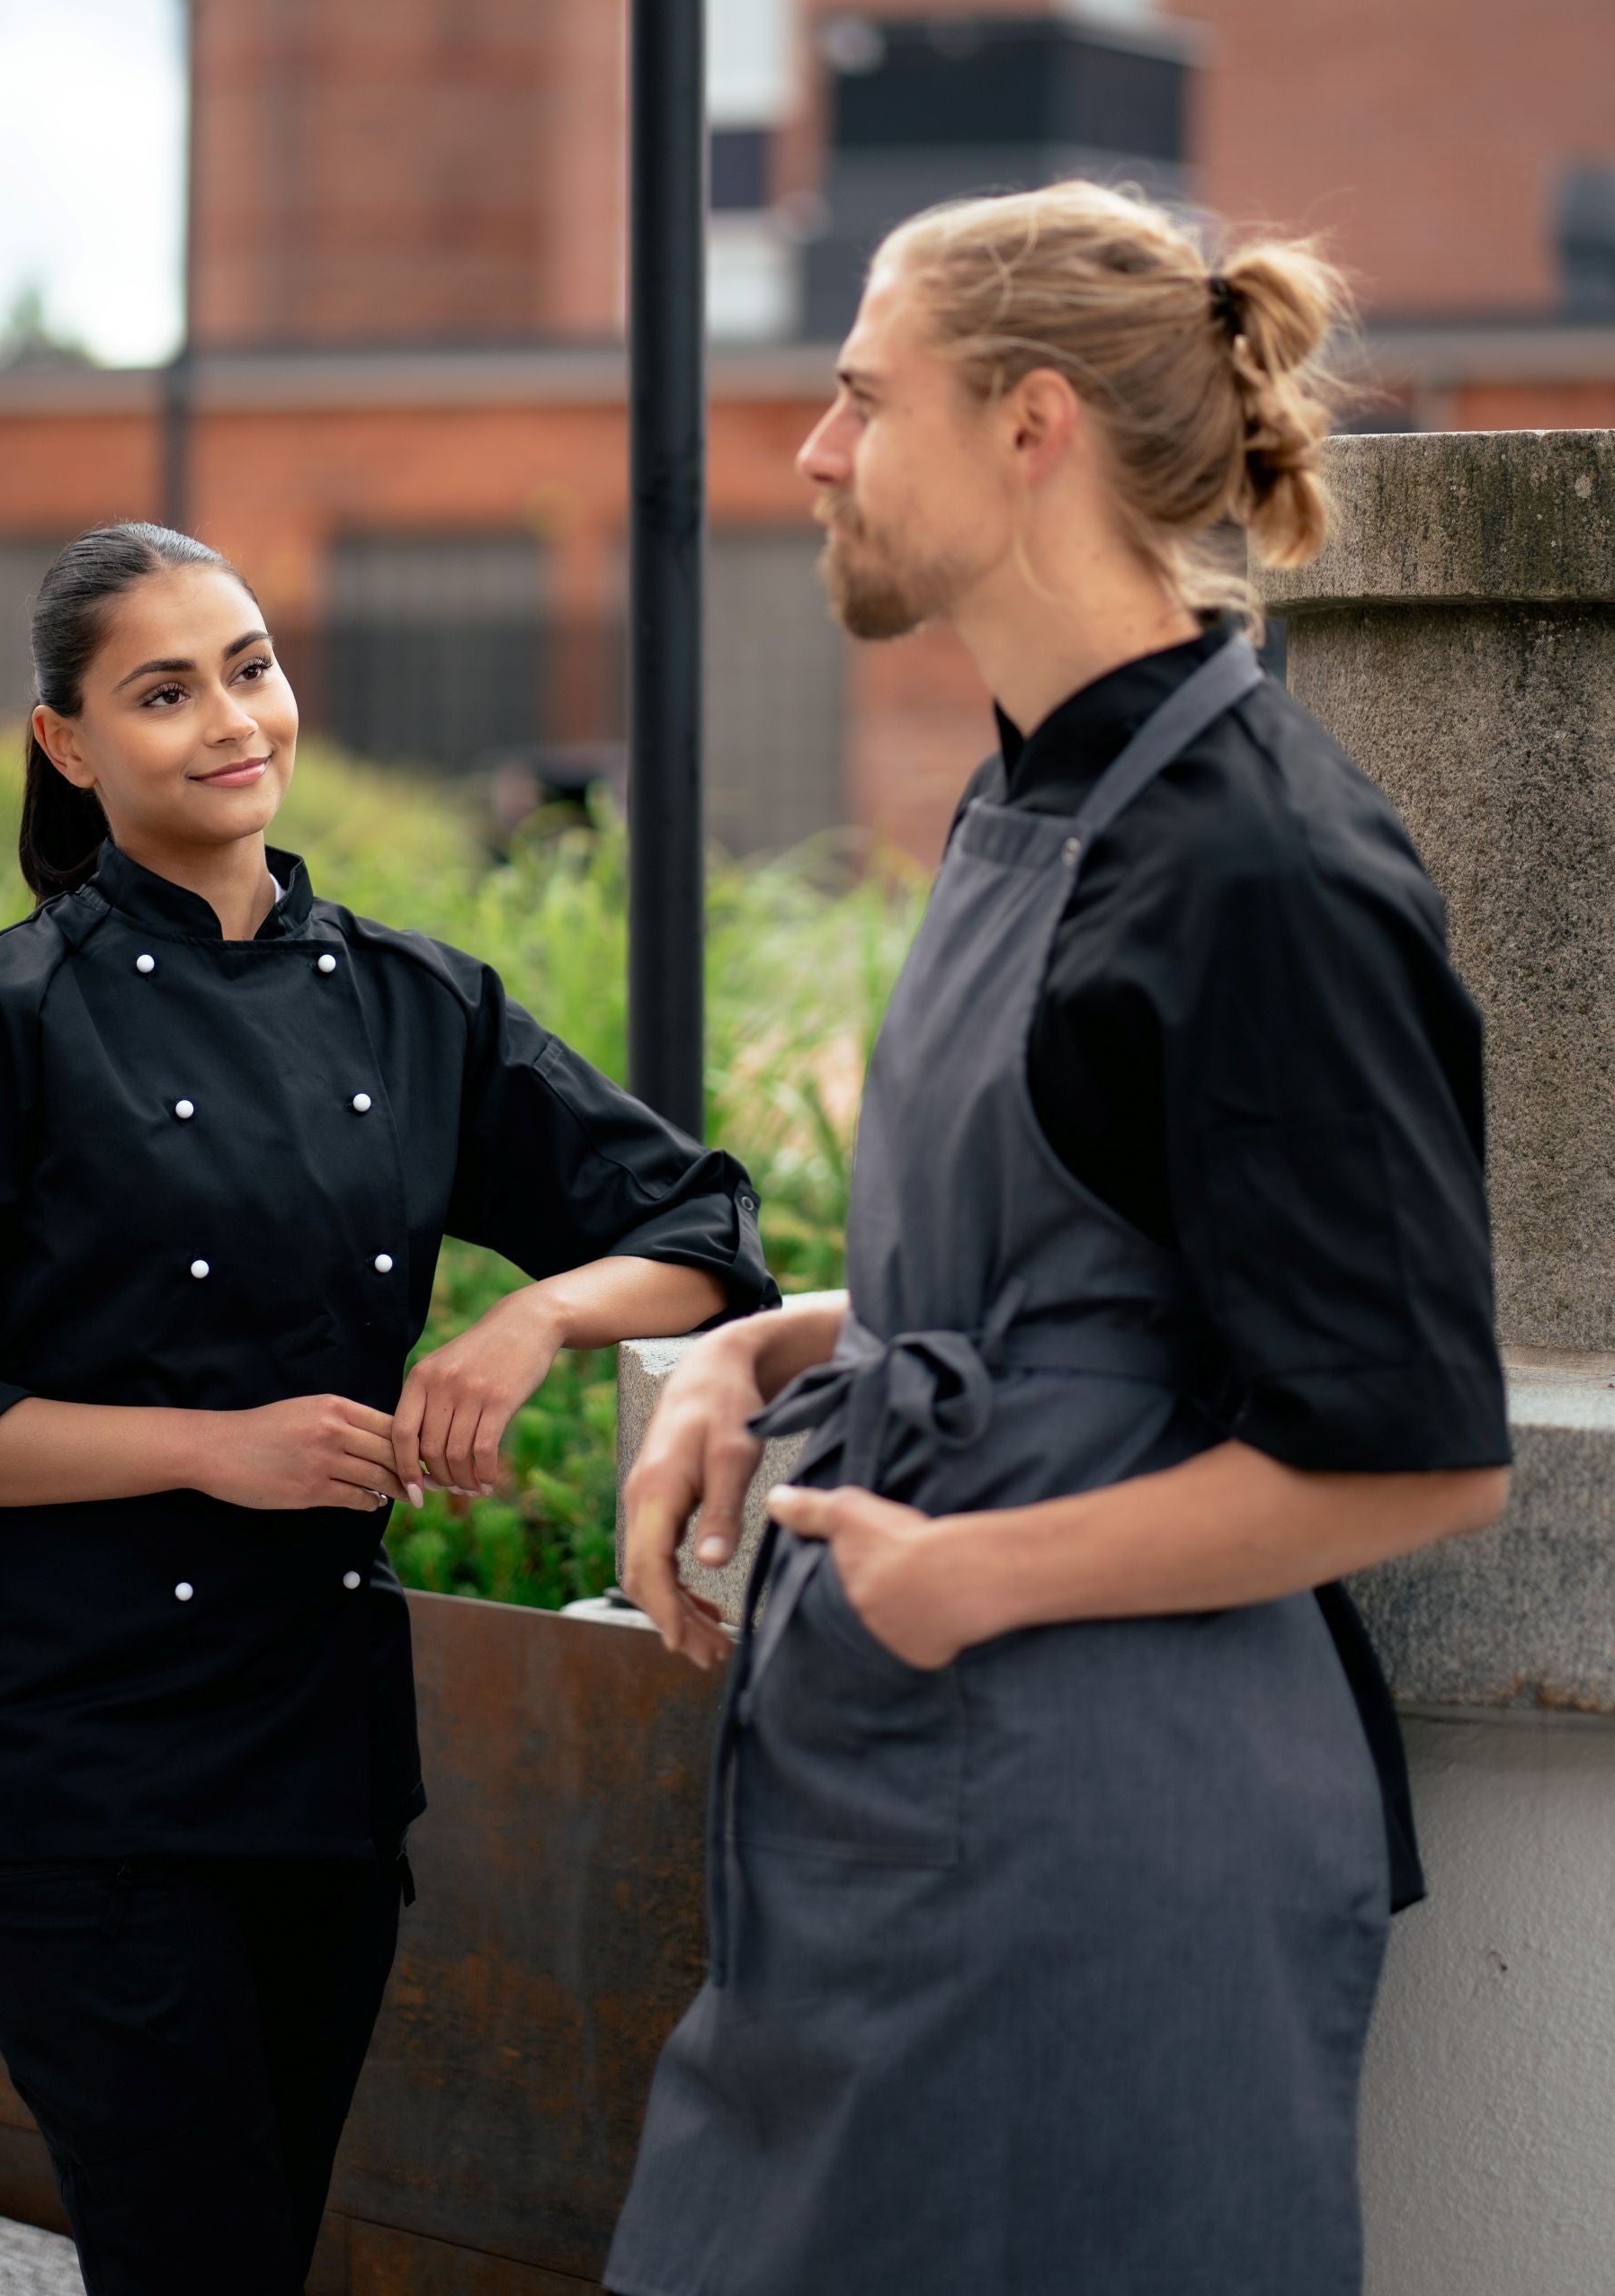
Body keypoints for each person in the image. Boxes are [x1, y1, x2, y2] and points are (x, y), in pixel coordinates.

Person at [608, 185, 1510, 2296]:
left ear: (1028, 426)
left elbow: (1411, 1443)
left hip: (1112, 1845)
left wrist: (963, 1578)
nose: (814, 454)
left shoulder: (1264, 872)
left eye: (857, 397)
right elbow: (1075, 1283)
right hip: (913, 1805)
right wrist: (762, 1356)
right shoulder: (1036, 797)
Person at [0, 520, 775, 2296]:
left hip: (317, 1759)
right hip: (74, 1771)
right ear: (68, 745)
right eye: (162, 691)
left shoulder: (415, 1006)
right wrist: (209, 1450)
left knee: (250, 2255)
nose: (230, 717)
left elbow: (704, 1238)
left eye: (247, 665)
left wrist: (527, 1322)